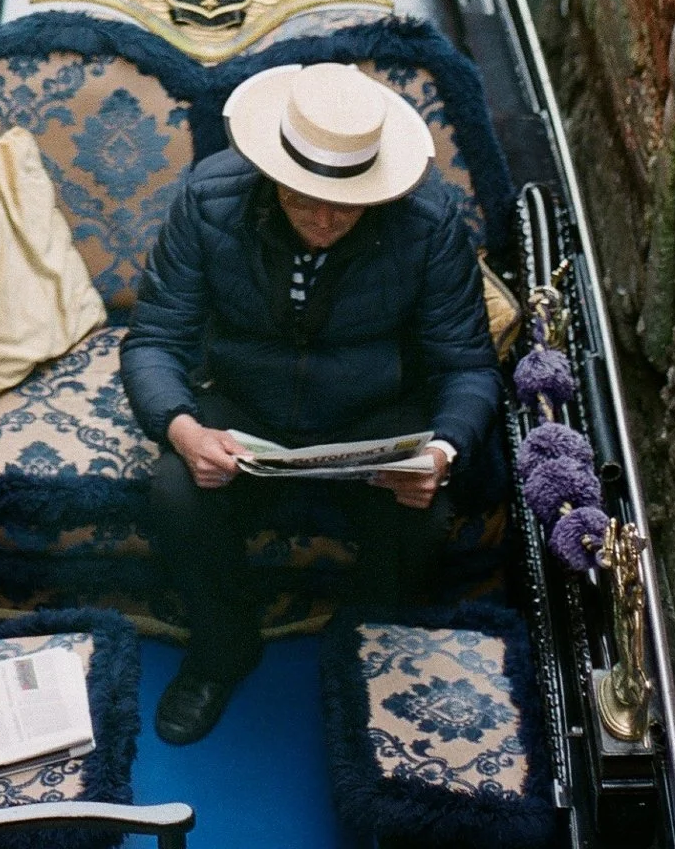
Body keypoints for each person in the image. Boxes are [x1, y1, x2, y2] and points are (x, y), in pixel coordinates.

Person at [120, 59, 499, 745]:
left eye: (345, 205)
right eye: (303, 200)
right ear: (273, 176)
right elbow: (152, 340)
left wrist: (441, 452)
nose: (324, 220)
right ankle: (224, 647)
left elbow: (467, 366)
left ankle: (362, 644)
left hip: (373, 413)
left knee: (426, 514)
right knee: (175, 492)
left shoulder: (430, 223)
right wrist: (181, 430)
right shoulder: (207, 200)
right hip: (242, 405)